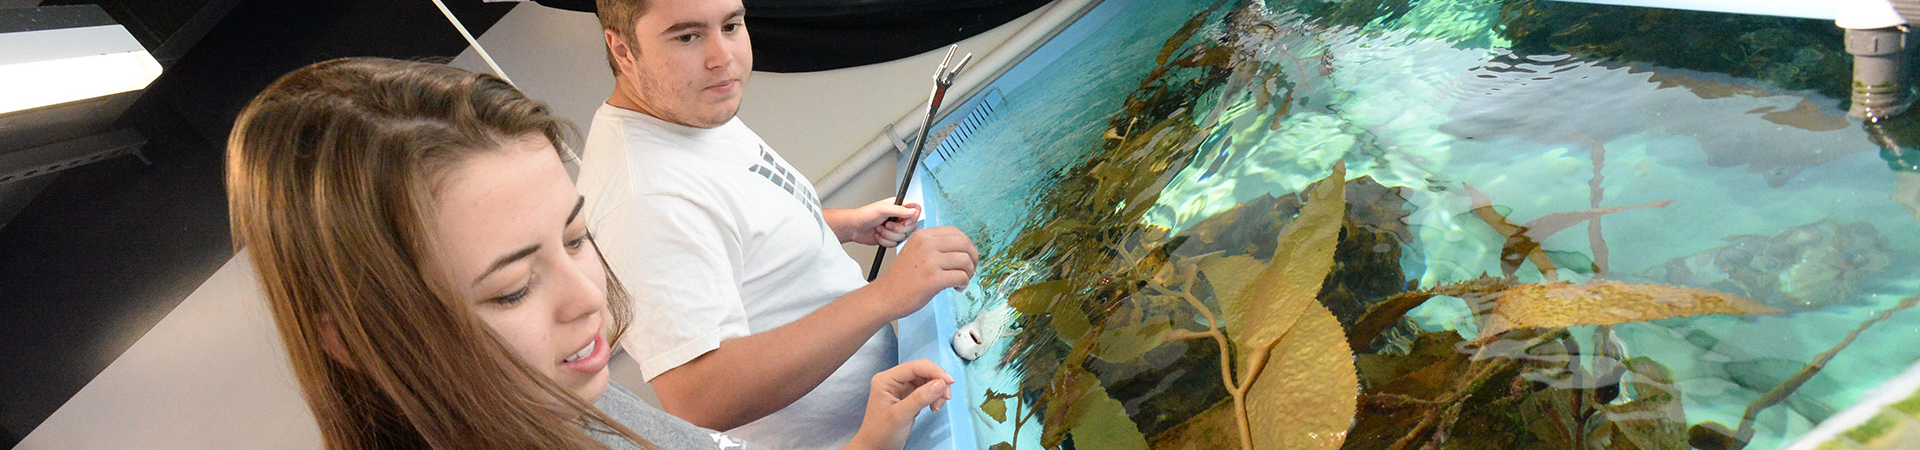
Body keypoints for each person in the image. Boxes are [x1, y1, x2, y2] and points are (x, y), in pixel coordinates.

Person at [226, 57, 951, 450]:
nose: (590, 299)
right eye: (512, 289)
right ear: (356, 337)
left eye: (576, 239)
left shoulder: (571, 407)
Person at [578, 0, 981, 448]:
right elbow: (701, 396)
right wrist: (885, 296)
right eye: (687, 36)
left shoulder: (690, 105)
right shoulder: (642, 199)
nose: (722, 56)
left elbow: (732, 238)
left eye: (731, 25)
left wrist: (842, 225)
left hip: (903, 403)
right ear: (623, 50)